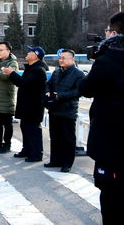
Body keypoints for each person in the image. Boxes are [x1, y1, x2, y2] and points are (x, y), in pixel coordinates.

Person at [79, 12, 124, 224]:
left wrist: (101, 57)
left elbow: (86, 89)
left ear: (113, 33)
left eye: (107, 32)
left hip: (112, 142)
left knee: (111, 195)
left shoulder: (108, 60)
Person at [3, 46, 48, 162]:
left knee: (33, 130)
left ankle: (37, 154)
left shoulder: (39, 70)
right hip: (27, 105)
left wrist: (12, 73)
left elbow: (24, 83)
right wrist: (11, 74)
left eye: (30, 52)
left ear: (36, 56)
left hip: (34, 106)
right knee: (25, 128)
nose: (27, 53)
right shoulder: (32, 68)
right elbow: (21, 83)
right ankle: (27, 150)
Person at [44, 49, 84, 172]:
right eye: (60, 58)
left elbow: (78, 91)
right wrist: (47, 91)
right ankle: (55, 160)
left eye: (64, 58)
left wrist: (60, 95)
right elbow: (48, 83)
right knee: (55, 137)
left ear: (72, 59)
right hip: (54, 109)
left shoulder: (78, 74)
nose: (61, 60)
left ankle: (67, 164)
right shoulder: (56, 72)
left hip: (68, 111)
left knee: (68, 139)